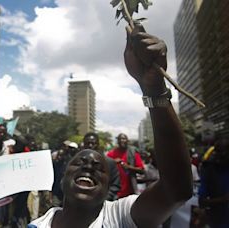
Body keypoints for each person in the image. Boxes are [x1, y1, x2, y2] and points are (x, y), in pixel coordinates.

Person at [29, 24, 193, 228]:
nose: (88, 166)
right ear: (62, 180)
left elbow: (177, 190)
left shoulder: (120, 217)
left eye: (99, 167)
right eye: (79, 163)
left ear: (109, 189)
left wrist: (154, 89)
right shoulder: (36, 225)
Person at [198, 137, 229, 228]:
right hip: (218, 221)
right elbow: (202, 202)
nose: (219, 156)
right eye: (218, 152)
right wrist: (222, 199)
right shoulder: (209, 170)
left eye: (223, 152)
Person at [82, 132, 120, 201]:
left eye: (93, 143)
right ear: (84, 144)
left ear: (98, 144)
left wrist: (103, 199)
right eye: (87, 143)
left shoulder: (109, 162)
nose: (90, 146)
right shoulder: (77, 162)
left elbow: (115, 185)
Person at [107, 133, 144, 198]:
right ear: (117, 141)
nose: (122, 140)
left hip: (130, 192)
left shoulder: (133, 153)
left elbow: (142, 170)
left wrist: (128, 167)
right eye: (120, 139)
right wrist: (113, 162)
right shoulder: (111, 154)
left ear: (127, 141)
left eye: (124, 138)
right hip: (115, 192)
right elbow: (104, 167)